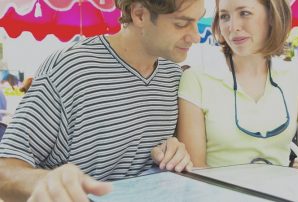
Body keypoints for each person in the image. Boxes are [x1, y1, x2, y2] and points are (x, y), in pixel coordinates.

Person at [0, 0, 205, 201]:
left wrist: (176, 153)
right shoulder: (70, 68)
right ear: (139, 14)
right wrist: (45, 182)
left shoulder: (173, 77)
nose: (195, 36)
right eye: (181, 24)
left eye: (197, 21)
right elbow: (5, 170)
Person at [177, 0, 298, 168]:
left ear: (272, 16)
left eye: (244, 13)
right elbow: (196, 171)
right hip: (217, 193)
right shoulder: (196, 79)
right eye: (224, 16)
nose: (233, 26)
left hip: (280, 193)